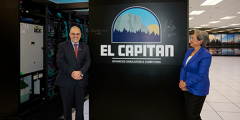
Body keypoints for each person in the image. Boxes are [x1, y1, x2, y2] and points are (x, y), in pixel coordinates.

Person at [55, 26, 91, 120]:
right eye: (73, 34)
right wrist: (72, 73)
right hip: (66, 80)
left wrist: (81, 73)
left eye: (78, 34)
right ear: (69, 34)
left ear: (81, 35)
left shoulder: (85, 47)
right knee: (67, 107)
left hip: (80, 80)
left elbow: (88, 61)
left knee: (80, 105)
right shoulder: (62, 46)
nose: (75, 36)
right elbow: (60, 62)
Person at [179, 29, 212, 120]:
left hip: (198, 89)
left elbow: (201, 75)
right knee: (187, 113)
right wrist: (181, 81)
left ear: (200, 41)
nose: (191, 40)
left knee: (193, 115)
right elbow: (183, 67)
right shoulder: (189, 51)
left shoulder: (206, 55)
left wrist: (185, 83)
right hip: (186, 88)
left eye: (193, 38)